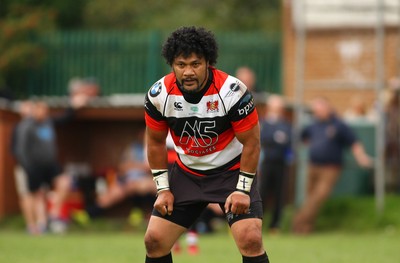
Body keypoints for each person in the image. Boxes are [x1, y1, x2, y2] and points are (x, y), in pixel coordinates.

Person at [144, 26, 269, 263]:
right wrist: (163, 189)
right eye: (181, 65)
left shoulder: (232, 91)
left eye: (195, 64)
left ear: (208, 62)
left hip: (231, 172)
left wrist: (242, 189)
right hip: (187, 174)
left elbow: (252, 143)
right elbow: (155, 142)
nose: (188, 72)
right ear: (172, 64)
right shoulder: (159, 94)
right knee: (154, 241)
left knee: (250, 239)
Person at [292, 96, 372, 234]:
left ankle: (296, 223)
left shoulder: (339, 125)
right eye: (315, 110)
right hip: (313, 166)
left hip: (330, 169)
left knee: (318, 197)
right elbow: (302, 138)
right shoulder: (313, 125)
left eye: (319, 108)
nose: (317, 112)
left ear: (328, 108)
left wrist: (362, 157)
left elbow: (354, 142)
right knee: (309, 198)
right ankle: (305, 229)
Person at [16, 95, 88, 233]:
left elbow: (64, 118)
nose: (44, 112)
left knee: (64, 182)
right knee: (37, 195)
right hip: (34, 166)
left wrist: (73, 106)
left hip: (50, 165)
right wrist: (28, 168)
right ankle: (39, 225)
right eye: (40, 109)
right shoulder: (26, 126)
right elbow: (20, 150)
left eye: (45, 109)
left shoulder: (48, 122)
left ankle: (53, 214)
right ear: (34, 110)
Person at [11, 101, 46, 234]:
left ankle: (42, 225)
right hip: (25, 167)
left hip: (38, 168)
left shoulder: (39, 127)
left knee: (39, 194)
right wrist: (27, 166)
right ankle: (31, 226)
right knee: (26, 195)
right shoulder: (19, 128)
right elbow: (16, 150)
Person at [259, 95, 291, 233]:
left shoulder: (286, 124)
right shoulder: (264, 123)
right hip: (266, 163)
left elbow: (288, 140)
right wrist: (276, 139)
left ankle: (275, 225)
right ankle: (258, 221)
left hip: (281, 163)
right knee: (262, 192)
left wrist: (276, 139)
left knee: (279, 194)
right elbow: (264, 138)